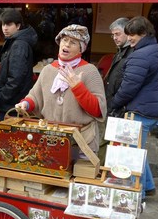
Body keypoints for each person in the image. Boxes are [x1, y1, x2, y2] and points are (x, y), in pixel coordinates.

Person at [15, 24, 106, 154]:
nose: (67, 45)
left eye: (73, 42)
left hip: (82, 141)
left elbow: (98, 110)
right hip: (50, 138)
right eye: (64, 40)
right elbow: (35, 96)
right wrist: (26, 104)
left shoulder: (90, 71)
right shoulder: (48, 70)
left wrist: (78, 88)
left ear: (81, 49)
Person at [110, 16, 158, 200]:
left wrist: (114, 103)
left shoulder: (140, 55)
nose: (130, 39)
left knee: (132, 153)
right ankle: (149, 186)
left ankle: (139, 194)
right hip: (153, 106)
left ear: (143, 33)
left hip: (140, 109)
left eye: (133, 35)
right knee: (138, 149)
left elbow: (129, 87)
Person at [0, 8, 37, 119]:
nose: (5, 28)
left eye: (9, 24)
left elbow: (16, 77)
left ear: (18, 26)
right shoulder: (15, 41)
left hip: (12, 103)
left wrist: (1, 95)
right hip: (14, 101)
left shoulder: (19, 44)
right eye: (3, 24)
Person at [105, 17, 133, 112]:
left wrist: (114, 102)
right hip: (113, 106)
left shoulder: (133, 54)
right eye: (113, 35)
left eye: (117, 34)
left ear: (128, 32)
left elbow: (130, 84)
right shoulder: (119, 52)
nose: (114, 38)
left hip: (122, 107)